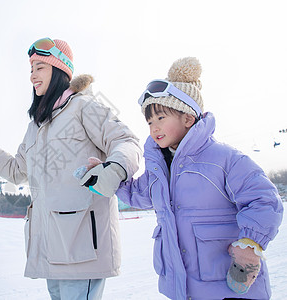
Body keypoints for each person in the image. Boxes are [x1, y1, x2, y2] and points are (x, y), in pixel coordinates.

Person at [0, 38, 142, 299]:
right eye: (30, 69)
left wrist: (115, 169)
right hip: (51, 247)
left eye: (39, 67)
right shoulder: (36, 126)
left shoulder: (85, 106)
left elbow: (126, 141)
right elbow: (17, 170)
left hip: (82, 247)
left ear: (60, 69)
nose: (32, 76)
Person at [109, 57, 283, 299]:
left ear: (188, 118)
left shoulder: (223, 158)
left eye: (161, 118)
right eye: (149, 121)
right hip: (184, 288)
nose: (153, 127)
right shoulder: (159, 168)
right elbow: (138, 194)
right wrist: (108, 176)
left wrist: (249, 246)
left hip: (228, 285)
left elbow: (264, 199)